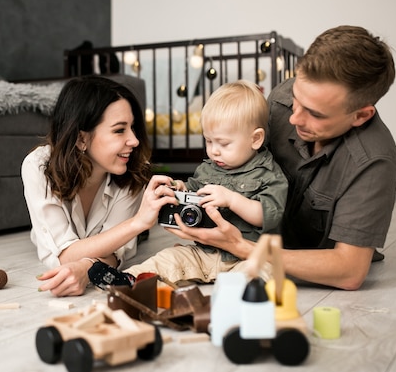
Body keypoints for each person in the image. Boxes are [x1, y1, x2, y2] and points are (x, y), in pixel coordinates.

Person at [165, 25, 396, 291]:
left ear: (360, 115)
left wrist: (240, 247)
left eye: (316, 114)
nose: (294, 118)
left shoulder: (372, 162)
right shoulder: (280, 100)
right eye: (296, 99)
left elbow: (349, 271)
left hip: (282, 260)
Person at [88, 80, 288, 288]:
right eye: (208, 141)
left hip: (246, 257)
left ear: (255, 139)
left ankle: (233, 295)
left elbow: (268, 216)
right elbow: (194, 190)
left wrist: (231, 199)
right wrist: (181, 189)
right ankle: (130, 280)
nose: (214, 151)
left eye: (224, 143)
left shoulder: (269, 174)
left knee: (261, 271)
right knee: (171, 257)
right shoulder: (209, 168)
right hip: (204, 253)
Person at [22, 75, 177, 297]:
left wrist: (87, 269)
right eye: (119, 130)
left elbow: (115, 252)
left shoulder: (132, 170)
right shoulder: (38, 166)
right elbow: (65, 256)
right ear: (81, 139)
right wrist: (138, 223)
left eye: (132, 128)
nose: (134, 141)